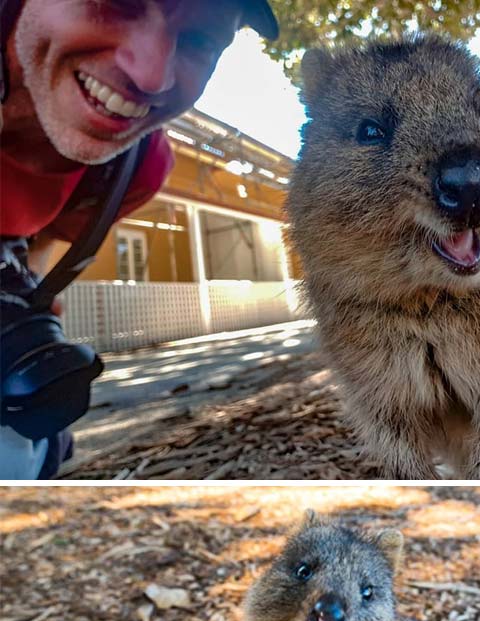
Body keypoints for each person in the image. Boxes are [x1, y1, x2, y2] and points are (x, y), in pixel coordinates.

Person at [0, 0, 279, 479]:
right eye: (117, 3)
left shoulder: (134, 166)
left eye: (199, 42)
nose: (153, 77)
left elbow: (39, 243)